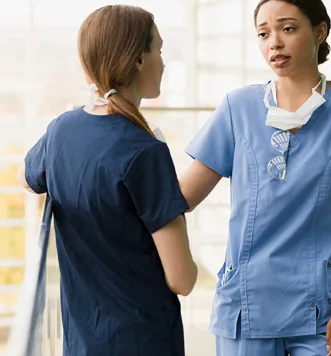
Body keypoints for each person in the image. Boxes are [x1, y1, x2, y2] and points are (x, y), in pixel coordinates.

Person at [179, 0, 331, 355]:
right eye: (263, 33)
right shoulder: (238, 108)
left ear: (319, 32)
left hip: (325, 310)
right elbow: (181, 199)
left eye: (287, 28)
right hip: (246, 307)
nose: (274, 43)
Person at [16, 5, 197, 356]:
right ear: (139, 60)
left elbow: (27, 179)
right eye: (158, 50)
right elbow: (183, 279)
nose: (164, 61)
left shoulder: (62, 130)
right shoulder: (146, 150)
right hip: (144, 340)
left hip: (84, 341)